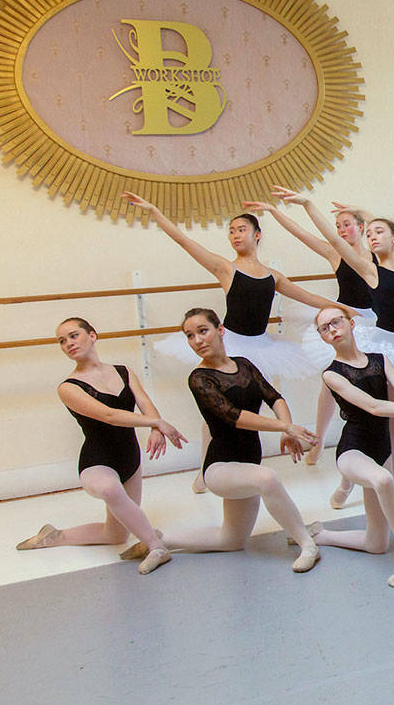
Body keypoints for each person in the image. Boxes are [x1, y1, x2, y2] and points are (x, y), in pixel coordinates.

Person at [121, 193, 352, 493]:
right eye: (231, 231)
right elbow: (187, 243)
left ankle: (245, 464)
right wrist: (155, 213)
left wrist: (349, 311)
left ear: (257, 235)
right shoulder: (226, 268)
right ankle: (208, 468)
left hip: (261, 346)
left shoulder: (273, 276)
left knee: (255, 404)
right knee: (216, 412)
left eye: (241, 229)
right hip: (231, 345)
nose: (235, 235)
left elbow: (310, 298)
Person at [271, 188, 394, 509]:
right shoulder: (371, 271)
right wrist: (309, 205)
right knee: (371, 425)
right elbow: (336, 243)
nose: (371, 237)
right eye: (368, 233)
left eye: (378, 231)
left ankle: (388, 493)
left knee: (392, 431)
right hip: (377, 353)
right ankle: (349, 482)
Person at [128, 308, 322, 572]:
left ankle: (159, 541)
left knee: (231, 540)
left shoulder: (244, 364)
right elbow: (234, 416)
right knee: (267, 478)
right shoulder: (199, 379)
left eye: (202, 331)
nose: (197, 340)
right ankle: (307, 544)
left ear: (220, 330)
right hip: (221, 468)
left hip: (247, 463)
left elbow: (274, 396)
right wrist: (285, 426)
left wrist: (287, 430)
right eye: (190, 336)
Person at [15, 318, 186, 575]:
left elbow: (145, 402)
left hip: (130, 458)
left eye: (73, 336)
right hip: (97, 461)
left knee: (116, 533)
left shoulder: (124, 371)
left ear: (92, 336)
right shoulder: (68, 388)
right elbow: (109, 415)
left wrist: (155, 426)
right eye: (62, 341)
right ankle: (155, 546)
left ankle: (54, 536)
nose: (68, 344)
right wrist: (158, 423)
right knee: (108, 489)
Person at [307, 307, 394, 586]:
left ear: (350, 324)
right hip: (353, 450)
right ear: (323, 337)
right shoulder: (331, 375)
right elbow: (373, 406)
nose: (333, 329)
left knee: (376, 542)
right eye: (325, 328)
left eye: (336, 322)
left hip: (381, 446)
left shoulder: (380, 360)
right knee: (384, 480)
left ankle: (320, 535)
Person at [235, 198, 378, 467]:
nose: (342, 230)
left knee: (376, 380)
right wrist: (275, 212)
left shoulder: (376, 254)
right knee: (330, 380)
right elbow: (301, 234)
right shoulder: (335, 252)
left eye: (347, 224)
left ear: (362, 227)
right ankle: (320, 439)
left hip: (376, 322)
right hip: (343, 317)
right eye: (338, 226)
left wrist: (358, 209)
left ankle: (373, 440)